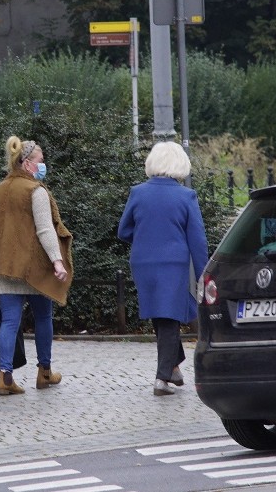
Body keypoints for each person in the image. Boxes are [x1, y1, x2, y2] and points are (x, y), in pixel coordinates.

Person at [0, 136, 73, 395]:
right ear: (28, 163)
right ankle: (44, 373)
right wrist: (57, 261)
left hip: (4, 267)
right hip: (33, 269)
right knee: (43, 317)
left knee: (9, 321)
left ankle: (5, 378)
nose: (43, 165)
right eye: (40, 161)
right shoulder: (36, 191)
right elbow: (45, 230)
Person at [117, 141, 208, 396]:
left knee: (161, 313)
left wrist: (147, 238)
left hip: (142, 262)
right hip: (173, 263)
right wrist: (203, 276)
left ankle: (174, 367)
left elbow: (123, 231)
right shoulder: (185, 196)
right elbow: (198, 241)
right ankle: (161, 378)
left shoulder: (138, 192)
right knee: (169, 316)